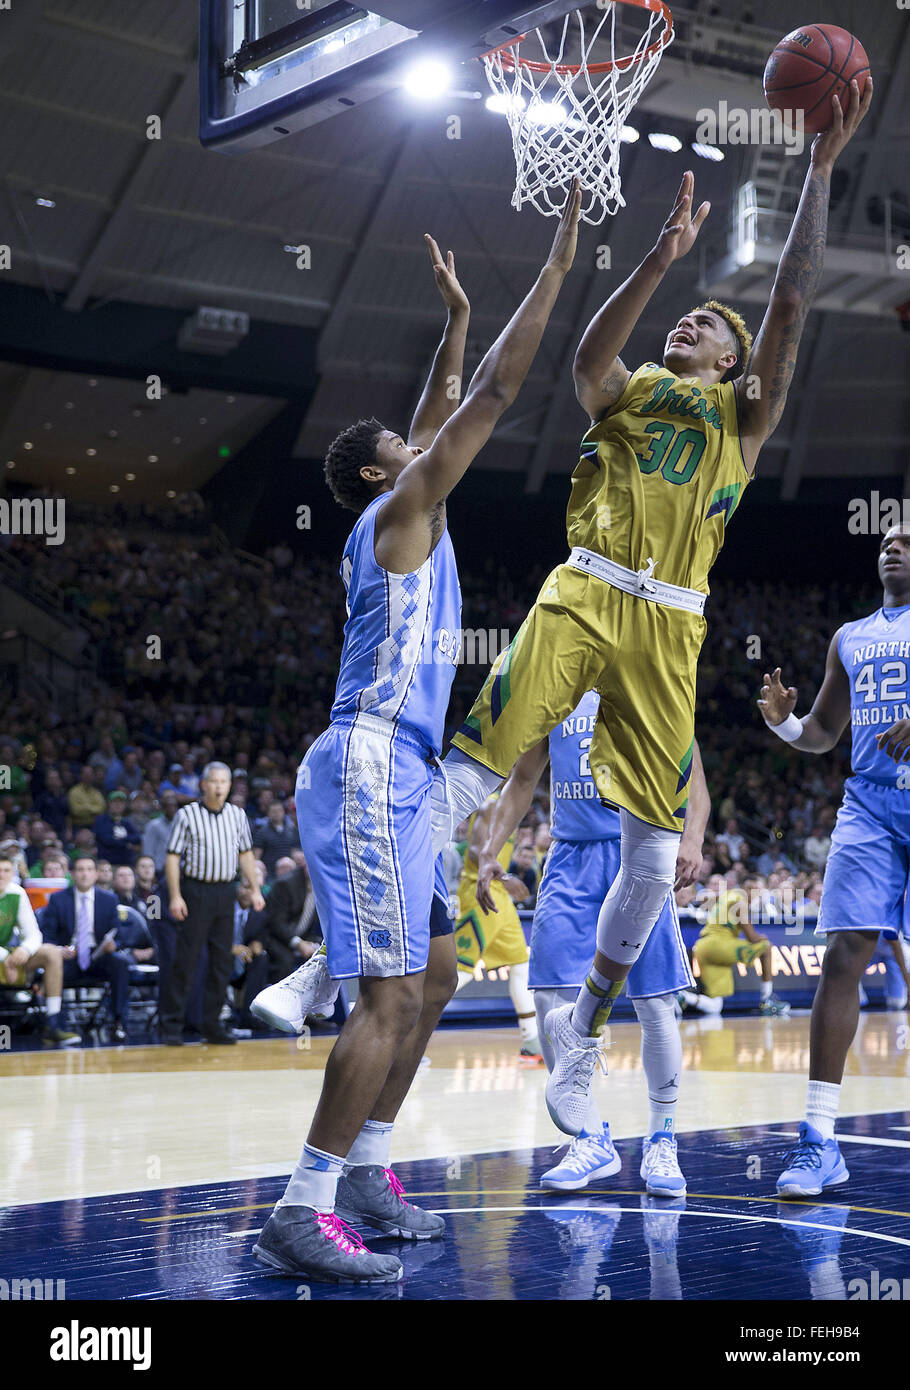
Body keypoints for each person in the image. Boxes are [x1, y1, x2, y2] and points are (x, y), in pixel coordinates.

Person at [439, 81, 872, 1135]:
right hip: (585, 586)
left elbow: (789, 305)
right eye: (690, 316)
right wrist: (659, 261)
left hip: (671, 618)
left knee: (650, 850)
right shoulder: (630, 389)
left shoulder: (744, 416)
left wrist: (815, 171)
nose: (693, 324)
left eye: (710, 326)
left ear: (730, 362)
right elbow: (586, 356)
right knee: (468, 769)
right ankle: (339, 957)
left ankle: (586, 1023)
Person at [251, 194, 581, 1285]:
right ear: (373, 474)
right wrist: (553, 270)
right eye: (404, 444)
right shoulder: (394, 514)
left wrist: (454, 313)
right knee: (387, 996)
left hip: (406, 770)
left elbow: (448, 395)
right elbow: (485, 394)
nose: (424, 441)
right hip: (365, 757)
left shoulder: (414, 506)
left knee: (437, 976)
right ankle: (300, 1206)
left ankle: (366, 1172)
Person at [476, 693, 708, 1194]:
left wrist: (691, 841)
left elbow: (696, 782)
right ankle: (590, 1138)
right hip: (570, 857)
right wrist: (492, 849)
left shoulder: (651, 677)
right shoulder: (556, 688)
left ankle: (662, 1138)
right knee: (549, 997)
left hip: (641, 849)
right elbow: (521, 780)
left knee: (656, 1004)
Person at [765, 524, 910, 1197]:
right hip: (871, 806)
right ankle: (819, 1141)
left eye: (908, 539)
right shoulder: (849, 636)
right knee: (845, 954)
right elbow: (824, 733)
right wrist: (784, 725)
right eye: (886, 539)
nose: (893, 545)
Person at [160, 762, 264, 1046]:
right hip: (195, 890)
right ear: (203, 785)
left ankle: (212, 1024)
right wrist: (176, 895)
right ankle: (171, 1024)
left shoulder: (237, 815)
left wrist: (254, 889)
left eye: (223, 782)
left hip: (225, 892)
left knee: (221, 961)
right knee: (187, 960)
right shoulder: (187, 814)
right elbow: (172, 857)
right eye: (214, 781)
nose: (218, 786)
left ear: (229, 786)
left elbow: (245, 855)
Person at [453, 794, 539, 1057]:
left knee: (520, 966)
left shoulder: (511, 802)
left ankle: (532, 1042)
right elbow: (477, 850)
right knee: (461, 970)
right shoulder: (492, 804)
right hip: (482, 894)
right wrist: (506, 876)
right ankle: (407, 1027)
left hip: (500, 896)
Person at [40, 853, 132, 1044]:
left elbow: (119, 933)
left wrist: (114, 945)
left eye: (89, 870)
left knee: (120, 963)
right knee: (52, 965)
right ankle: (55, 1025)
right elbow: (47, 933)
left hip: (97, 954)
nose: (85, 874)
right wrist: (58, 949)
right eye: (80, 870)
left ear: (96, 874)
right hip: (68, 956)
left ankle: (118, 1023)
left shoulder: (109, 899)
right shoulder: (58, 899)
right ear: (72, 874)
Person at [0, 849, 79, 1047]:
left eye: (6, 870)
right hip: (4, 958)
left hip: (9, 957)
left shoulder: (16, 893)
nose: (2, 875)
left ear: (12, 873)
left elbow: (34, 934)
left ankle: (52, 1024)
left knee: (51, 952)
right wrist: (5, 959)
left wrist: (24, 950)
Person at [678, 885, 790, 1017]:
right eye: (758, 893)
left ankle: (684, 996)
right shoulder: (740, 902)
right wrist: (761, 937)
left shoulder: (726, 895)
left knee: (716, 1005)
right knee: (766, 947)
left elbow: (704, 898)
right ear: (749, 890)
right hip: (718, 945)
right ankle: (767, 999)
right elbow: (752, 937)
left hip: (702, 947)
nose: (759, 898)